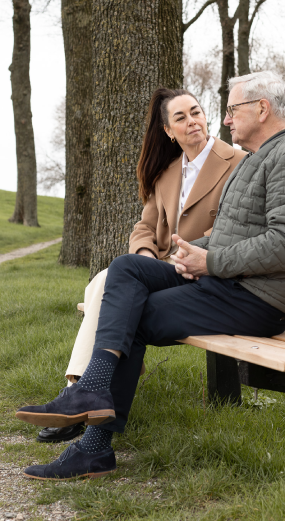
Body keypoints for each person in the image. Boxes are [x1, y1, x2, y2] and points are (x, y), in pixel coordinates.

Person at [17, 70, 285, 480]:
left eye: (232, 110)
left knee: (136, 315)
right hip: (228, 282)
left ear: (262, 108)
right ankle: (90, 393)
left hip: (256, 299)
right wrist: (190, 254)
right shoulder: (260, 158)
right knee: (127, 267)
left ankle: (93, 445)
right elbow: (226, 235)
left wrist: (211, 263)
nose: (225, 120)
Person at [36, 86, 246, 444]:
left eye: (195, 112)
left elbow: (231, 229)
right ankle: (83, 392)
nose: (192, 121)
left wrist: (186, 254)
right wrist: (146, 254)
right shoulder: (166, 173)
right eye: (180, 117)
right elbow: (145, 227)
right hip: (159, 269)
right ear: (168, 130)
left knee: (106, 284)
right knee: (108, 280)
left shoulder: (237, 163)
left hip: (200, 271)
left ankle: (78, 393)